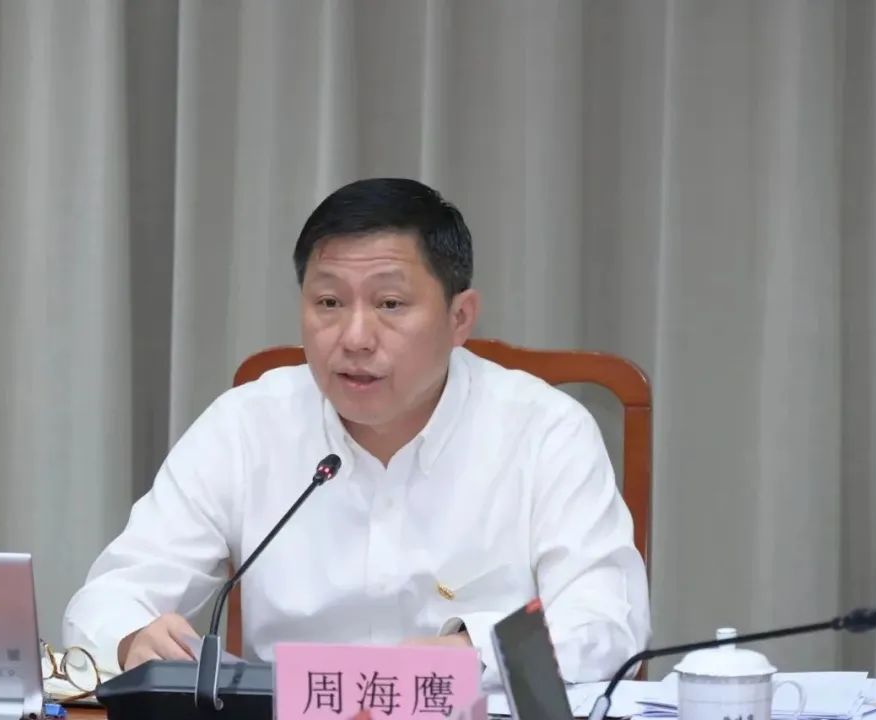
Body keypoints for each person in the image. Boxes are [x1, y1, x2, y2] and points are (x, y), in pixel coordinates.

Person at [62, 177, 650, 685]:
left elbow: (606, 626)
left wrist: (471, 655)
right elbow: (106, 600)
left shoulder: (545, 432)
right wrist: (132, 637)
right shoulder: (246, 426)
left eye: (390, 304)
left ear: (459, 318)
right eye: (328, 303)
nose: (355, 337)